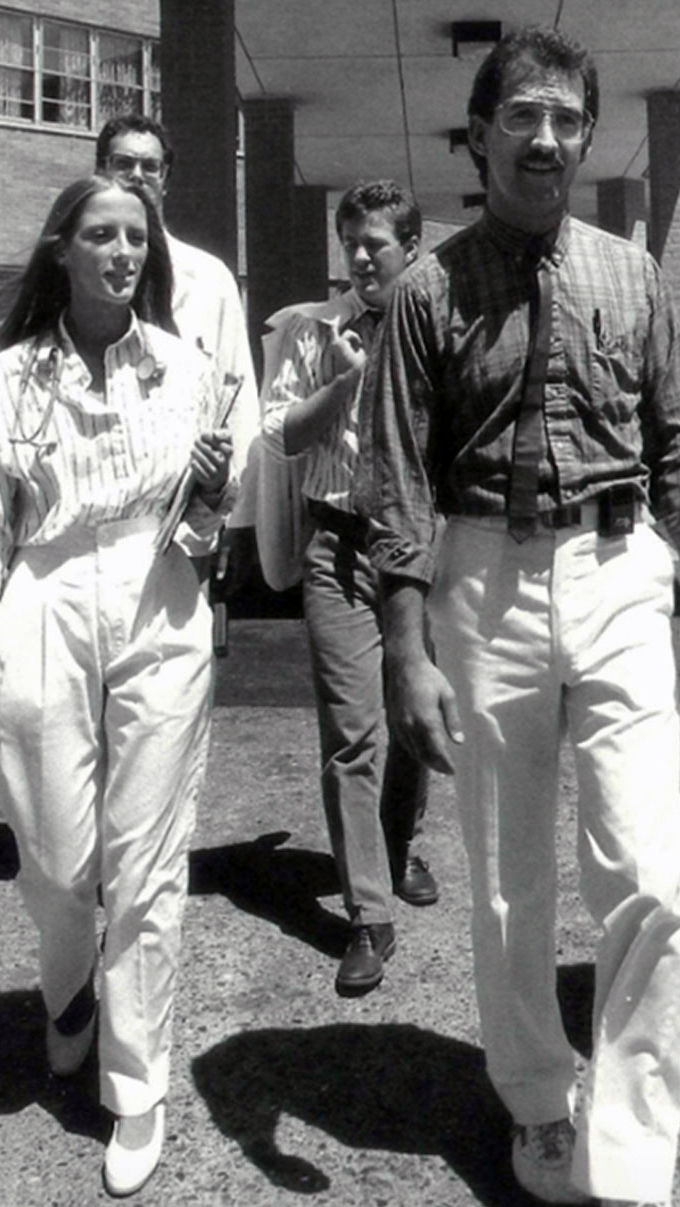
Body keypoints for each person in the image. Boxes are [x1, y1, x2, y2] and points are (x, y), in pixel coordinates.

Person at [355, 26, 680, 1207]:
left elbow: (678, 434)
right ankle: (532, 1092)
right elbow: (396, 482)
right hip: (484, 579)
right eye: (519, 115)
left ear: (584, 132)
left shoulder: (631, 273)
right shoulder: (423, 291)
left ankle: (635, 1173)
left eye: (564, 118)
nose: (544, 138)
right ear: (479, 136)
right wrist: (405, 650)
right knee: (509, 871)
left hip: (621, 567)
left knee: (648, 865)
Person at [0, 174, 234, 1198]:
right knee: (58, 854)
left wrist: (210, 500)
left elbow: (202, 531)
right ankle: (70, 991)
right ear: (61, 247)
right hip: (44, 591)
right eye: (101, 235)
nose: (121, 253)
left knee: (145, 860)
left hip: (159, 596)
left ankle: (137, 1080)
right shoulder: (8, 377)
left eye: (135, 238)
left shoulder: (183, 367)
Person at [259, 180, 437, 997]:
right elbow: (283, 436)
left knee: (410, 716)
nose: (363, 258)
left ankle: (399, 847)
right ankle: (367, 914)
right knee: (350, 733)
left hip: (415, 554)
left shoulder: (439, 329)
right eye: (353, 245)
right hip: (336, 544)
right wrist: (341, 384)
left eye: (379, 245)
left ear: (411, 249)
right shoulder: (313, 332)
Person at [94, 114, 263, 589]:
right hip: (100, 508)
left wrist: (238, 518)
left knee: (182, 652)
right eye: (123, 164)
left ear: (165, 178)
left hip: (189, 512)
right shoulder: (76, 274)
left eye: (151, 166)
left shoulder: (209, 279)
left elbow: (239, 395)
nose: (138, 177)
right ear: (100, 172)